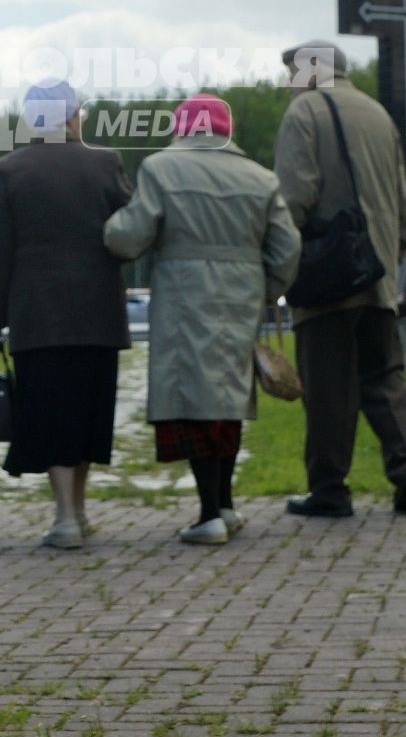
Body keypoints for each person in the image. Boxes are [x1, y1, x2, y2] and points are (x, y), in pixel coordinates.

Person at [104, 94, 301, 545]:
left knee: (194, 401)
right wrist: (264, 289)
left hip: (183, 297)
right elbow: (288, 248)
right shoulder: (261, 178)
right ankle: (226, 506)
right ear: (224, 130)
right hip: (242, 299)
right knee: (229, 399)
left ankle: (209, 514)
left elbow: (130, 236)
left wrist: (106, 232)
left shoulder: (160, 169)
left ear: (183, 127)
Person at [273, 40, 406, 518]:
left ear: (311, 71)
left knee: (327, 389)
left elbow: (295, 198)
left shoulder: (305, 112)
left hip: (327, 277)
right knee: (385, 377)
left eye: (292, 72)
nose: (287, 83)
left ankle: (330, 490)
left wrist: (280, 262)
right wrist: (389, 258)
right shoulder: (379, 115)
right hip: (377, 273)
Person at [0, 79, 134, 549]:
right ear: (73, 117)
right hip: (98, 313)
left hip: (38, 315)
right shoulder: (105, 162)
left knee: (52, 413)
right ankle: (79, 513)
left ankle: (66, 516)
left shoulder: (7, 169)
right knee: (88, 412)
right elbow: (131, 230)